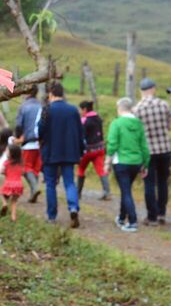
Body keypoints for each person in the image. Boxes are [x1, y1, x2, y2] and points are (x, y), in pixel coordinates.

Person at [36, 82, 85, 228]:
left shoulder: (47, 109)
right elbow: (80, 132)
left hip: (51, 152)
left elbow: (40, 131)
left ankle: (52, 216)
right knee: (69, 182)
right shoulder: (73, 110)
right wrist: (80, 150)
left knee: (50, 184)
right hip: (69, 152)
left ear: (51, 93)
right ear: (62, 93)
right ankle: (73, 208)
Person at [105, 97, 150, 233]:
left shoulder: (116, 123)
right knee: (126, 190)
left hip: (121, 161)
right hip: (136, 162)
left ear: (119, 109)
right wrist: (145, 164)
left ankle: (132, 221)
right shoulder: (138, 124)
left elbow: (112, 144)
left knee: (126, 192)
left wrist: (107, 162)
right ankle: (121, 217)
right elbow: (144, 146)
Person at [133, 78, 171, 225]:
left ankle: (152, 216)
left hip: (148, 151)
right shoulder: (164, 104)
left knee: (149, 183)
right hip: (164, 149)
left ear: (141, 91)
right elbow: (169, 126)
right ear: (153, 89)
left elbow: (137, 133)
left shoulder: (137, 109)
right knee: (163, 181)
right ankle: (162, 213)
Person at [77, 100, 111, 200]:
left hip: (87, 151)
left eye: (81, 110)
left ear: (84, 109)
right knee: (101, 170)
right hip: (99, 149)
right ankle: (107, 192)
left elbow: (81, 137)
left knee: (81, 169)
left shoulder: (84, 121)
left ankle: (78, 193)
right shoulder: (98, 119)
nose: (80, 112)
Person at [15, 85, 43, 202]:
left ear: (27, 93)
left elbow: (19, 125)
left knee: (26, 168)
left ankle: (35, 188)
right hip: (41, 143)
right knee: (35, 169)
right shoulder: (42, 105)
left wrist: (18, 137)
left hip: (28, 142)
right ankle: (33, 194)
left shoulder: (24, 106)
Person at [0, 143, 24, 221]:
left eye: (7, 151)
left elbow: (1, 171)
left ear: (11, 154)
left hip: (9, 183)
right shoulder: (21, 163)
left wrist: (5, 173)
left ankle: (4, 204)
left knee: (2, 194)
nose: (5, 152)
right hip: (19, 184)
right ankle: (13, 217)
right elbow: (22, 172)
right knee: (14, 201)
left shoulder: (7, 162)